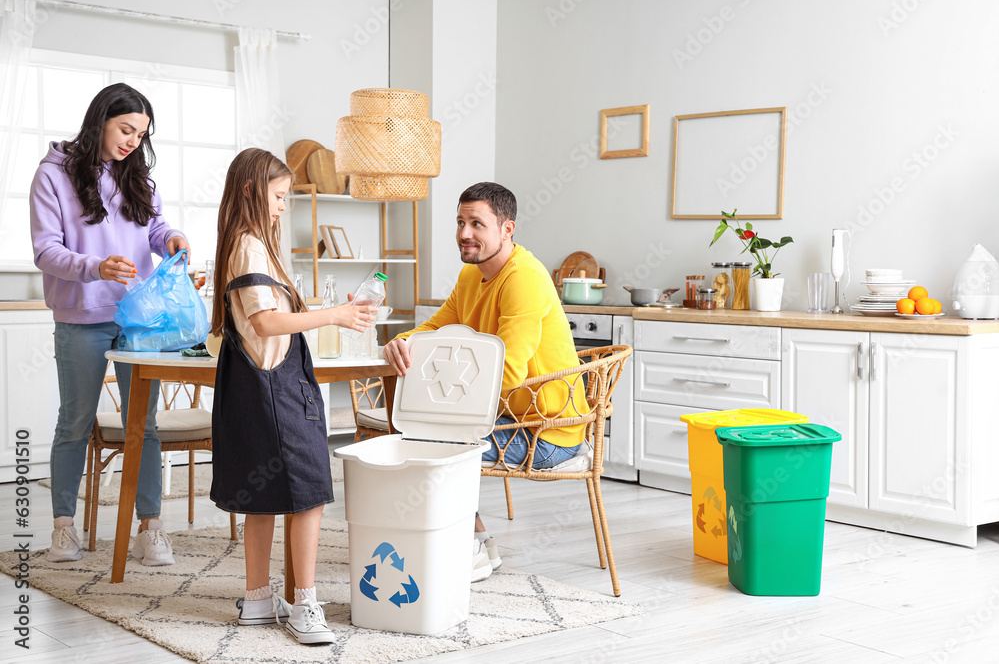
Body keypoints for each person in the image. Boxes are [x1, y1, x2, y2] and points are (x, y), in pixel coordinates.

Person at [382, 181, 590, 582]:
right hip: (511, 419)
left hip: (545, 431)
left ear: (506, 229)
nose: (464, 233)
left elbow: (508, 372)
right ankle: (475, 542)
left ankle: (468, 547)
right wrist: (403, 340)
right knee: (420, 438)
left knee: (434, 449)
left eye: (477, 223)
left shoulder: (523, 278)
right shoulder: (470, 276)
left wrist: (446, 414)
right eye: (460, 222)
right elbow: (437, 326)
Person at [208, 148, 375, 644]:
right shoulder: (250, 247)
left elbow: (271, 315)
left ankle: (259, 598)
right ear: (250, 191)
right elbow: (266, 322)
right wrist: (335, 318)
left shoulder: (250, 244)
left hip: (258, 383)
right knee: (309, 494)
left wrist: (328, 307)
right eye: (279, 196)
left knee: (260, 498)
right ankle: (305, 604)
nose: (284, 206)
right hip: (276, 387)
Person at [30, 83, 189, 566]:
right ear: (100, 120)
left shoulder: (138, 177)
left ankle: (150, 528)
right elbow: (45, 251)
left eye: (141, 134)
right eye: (125, 129)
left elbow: (154, 228)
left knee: (144, 425)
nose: (132, 142)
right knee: (74, 423)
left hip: (139, 319)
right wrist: (95, 267)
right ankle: (63, 527)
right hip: (81, 318)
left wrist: (174, 238)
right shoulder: (52, 175)